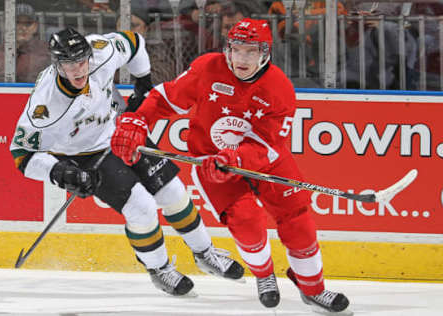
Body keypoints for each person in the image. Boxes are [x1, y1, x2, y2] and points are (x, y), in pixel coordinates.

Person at [110, 18, 350, 313]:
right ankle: (264, 276)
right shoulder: (208, 68)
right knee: (247, 222)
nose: (242, 59)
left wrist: (235, 159)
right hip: (213, 163)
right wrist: (138, 119)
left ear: (265, 53)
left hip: (266, 162)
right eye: (237, 50)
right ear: (228, 49)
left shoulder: (279, 88)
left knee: (298, 223)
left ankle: (313, 289)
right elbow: (166, 96)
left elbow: (268, 145)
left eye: (250, 52)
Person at [9, 26, 244, 296]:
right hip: (83, 154)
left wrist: (143, 80)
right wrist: (62, 173)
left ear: (88, 54)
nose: (78, 70)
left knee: (173, 191)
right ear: (57, 64)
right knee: (141, 207)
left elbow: (134, 42)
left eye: (81, 61)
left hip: (119, 130)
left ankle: (205, 253)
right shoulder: (46, 106)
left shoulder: (101, 52)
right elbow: (21, 156)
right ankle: (159, 269)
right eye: (68, 64)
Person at [0, 2, 49, 82]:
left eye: (28, 23)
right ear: (7, 25)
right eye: (17, 23)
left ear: (35, 27)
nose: (22, 28)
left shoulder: (46, 53)